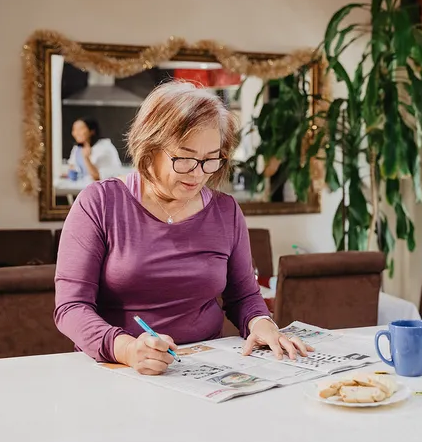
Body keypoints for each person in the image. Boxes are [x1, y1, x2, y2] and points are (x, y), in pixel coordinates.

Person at [55, 81, 312, 375]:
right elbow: (71, 308)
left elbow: (243, 296)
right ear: (149, 147)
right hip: (116, 367)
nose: (198, 173)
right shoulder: (99, 203)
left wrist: (262, 324)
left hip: (205, 370)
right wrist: (127, 350)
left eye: (209, 160)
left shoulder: (225, 211)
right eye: (185, 158)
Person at [67, 116, 122, 181]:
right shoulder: (78, 148)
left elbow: (97, 177)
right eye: (74, 129)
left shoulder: (105, 148)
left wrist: (86, 158)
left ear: (92, 131)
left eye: (80, 129)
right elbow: (72, 167)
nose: (76, 133)